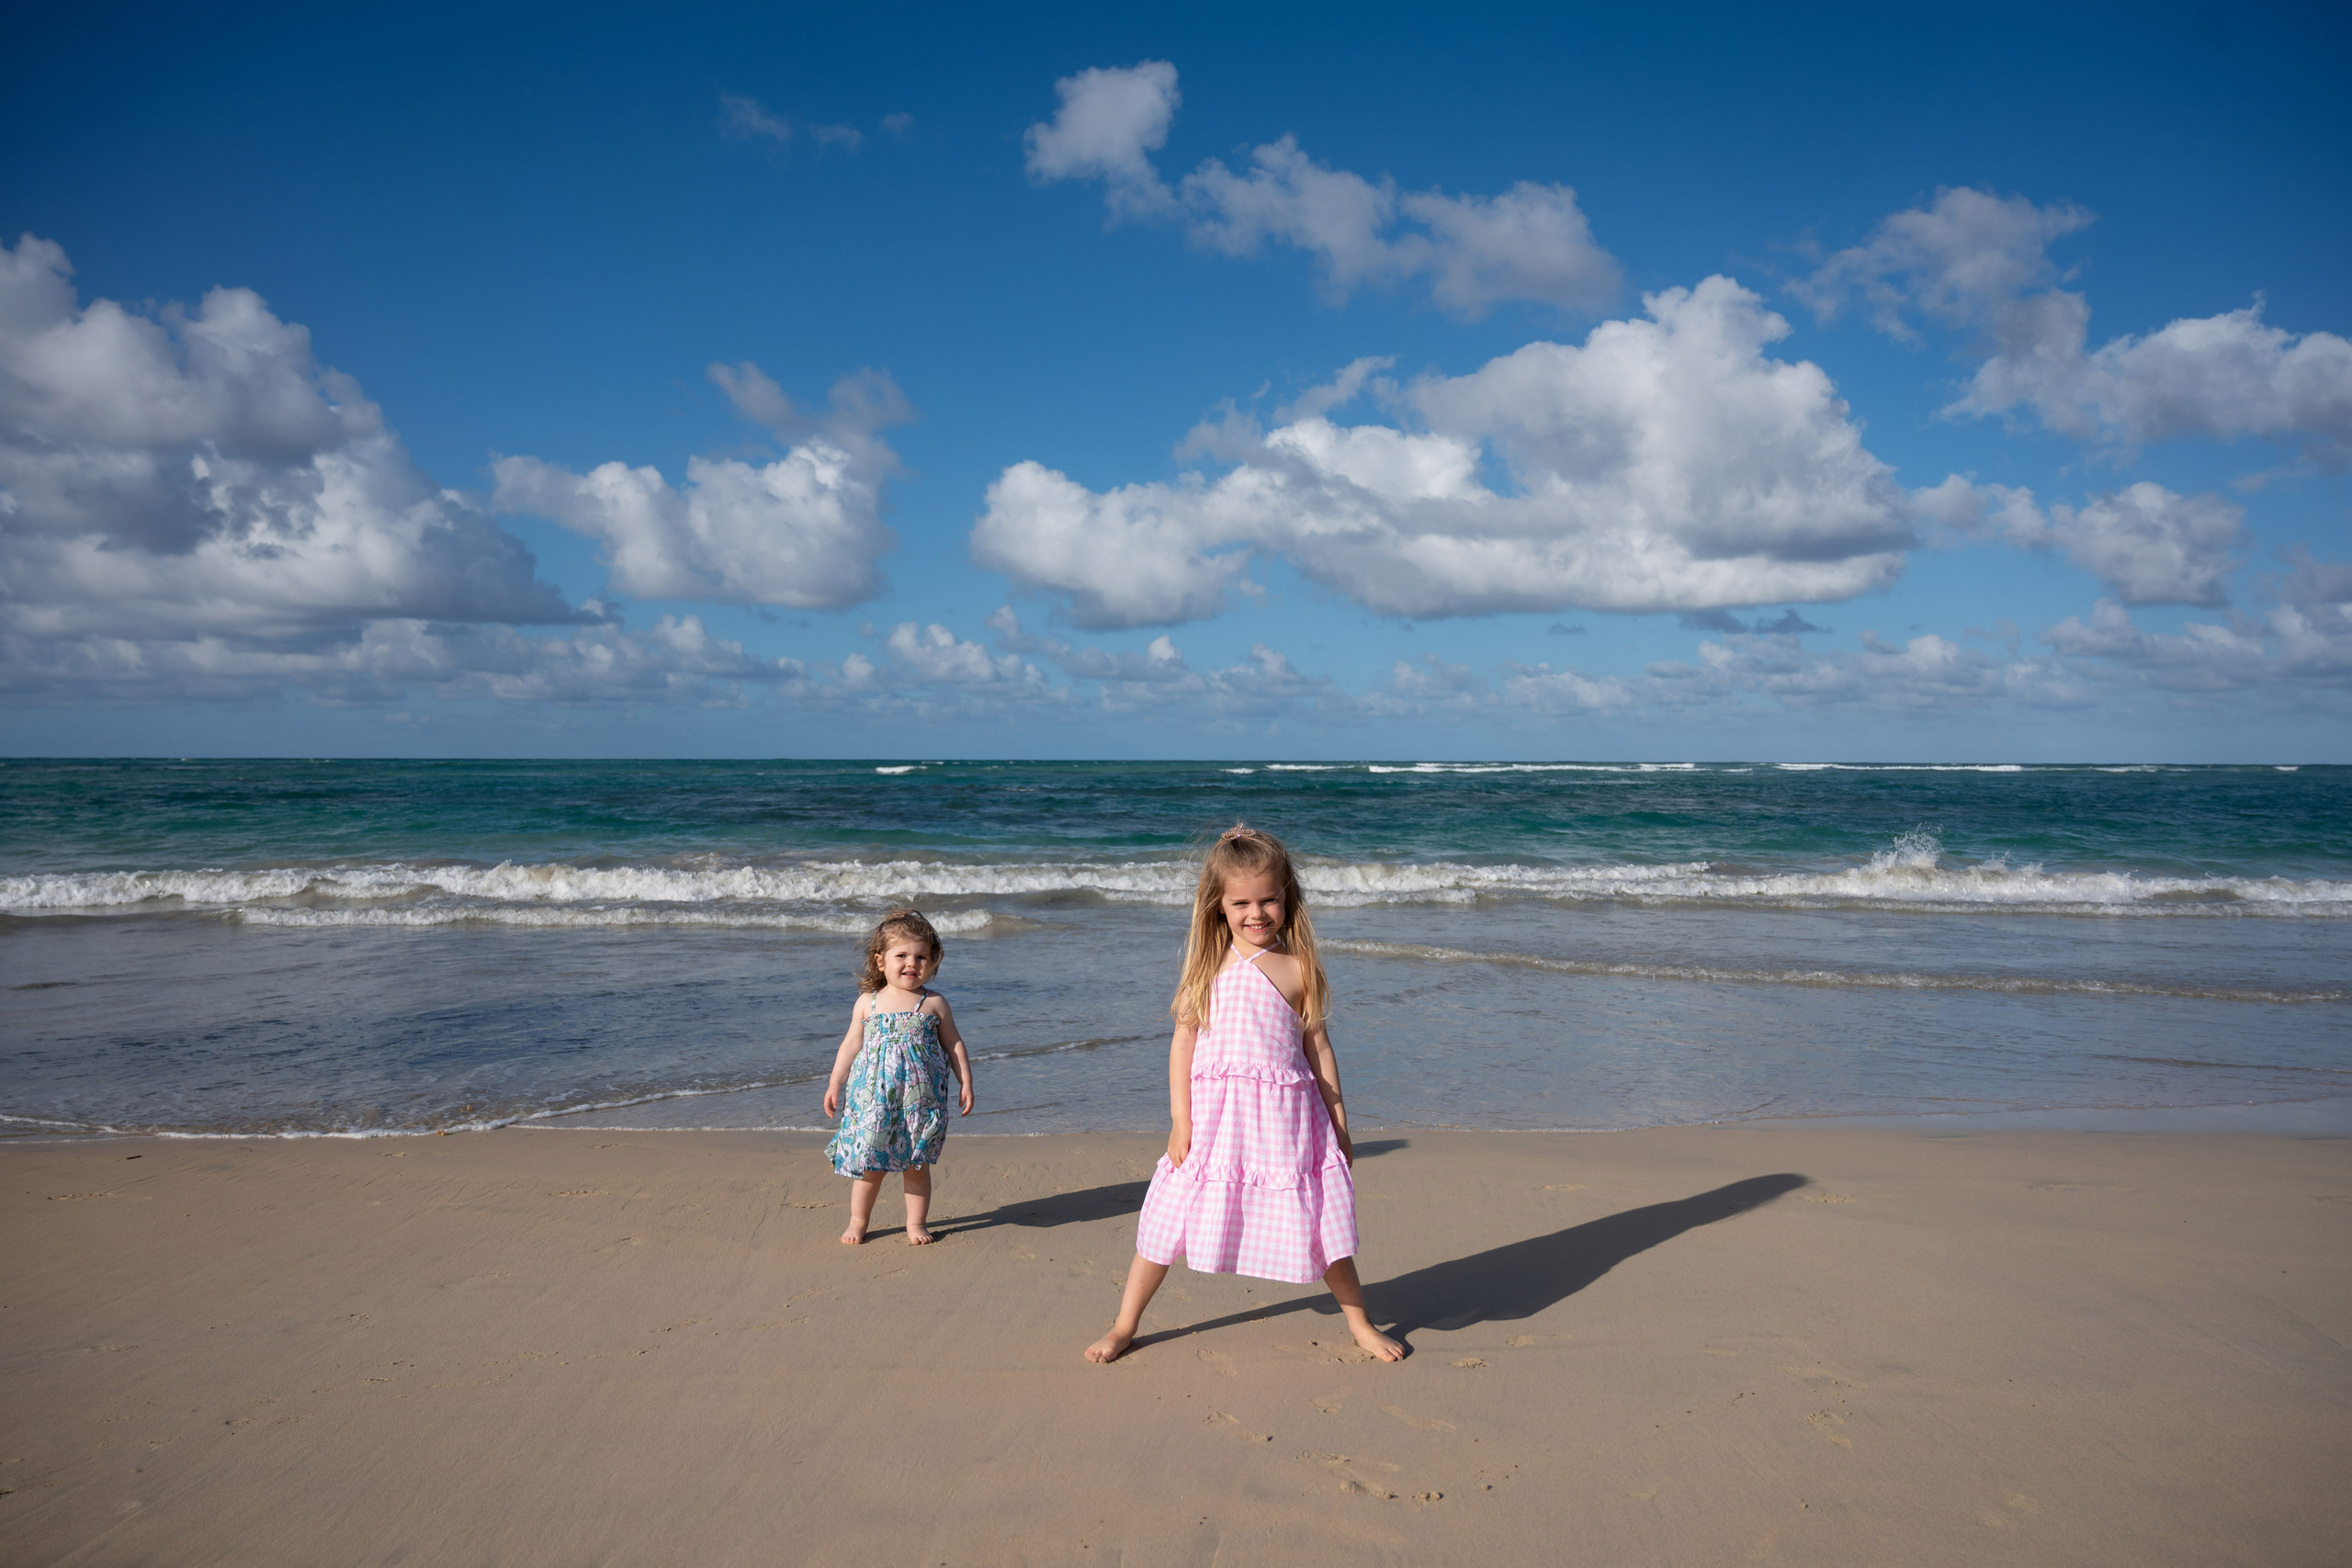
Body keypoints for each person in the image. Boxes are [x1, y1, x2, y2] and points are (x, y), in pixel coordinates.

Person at [1085, 826, 1405, 1364]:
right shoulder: (1206, 969)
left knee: (1317, 1226)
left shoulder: (1299, 969)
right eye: (1241, 903)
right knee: (1164, 1223)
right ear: (1218, 905)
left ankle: (1360, 1322)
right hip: (1213, 1125)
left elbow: (1319, 1050)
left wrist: (1340, 1125)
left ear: (1287, 898)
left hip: (1285, 1126)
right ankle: (1124, 1324)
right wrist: (1180, 1121)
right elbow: (1183, 1042)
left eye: (1268, 900)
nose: (1256, 913)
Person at [822, 908, 976, 1246]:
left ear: (933, 962)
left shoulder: (934, 1003)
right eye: (902, 955)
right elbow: (850, 1044)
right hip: (875, 1101)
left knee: (917, 1166)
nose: (912, 963)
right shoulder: (868, 1003)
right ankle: (858, 1220)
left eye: (922, 957)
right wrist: (836, 1082)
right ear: (880, 961)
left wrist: (966, 1080)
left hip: (920, 1102)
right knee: (871, 1165)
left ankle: (916, 1223)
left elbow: (954, 1043)